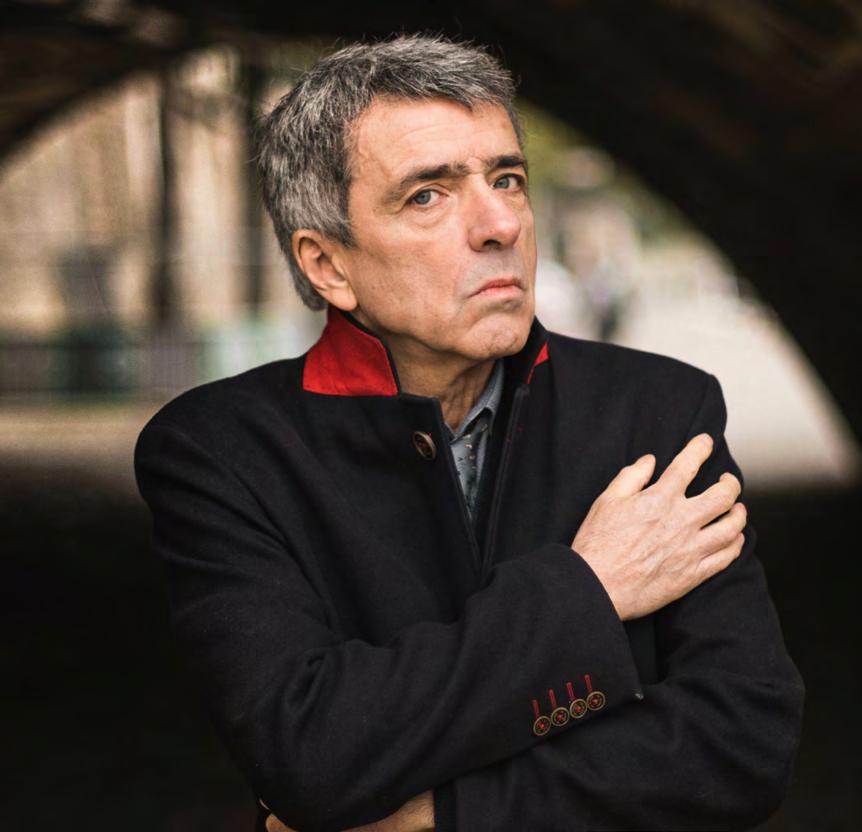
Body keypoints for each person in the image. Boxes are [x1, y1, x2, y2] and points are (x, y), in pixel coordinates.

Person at [134, 34, 804, 832]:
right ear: (327, 266)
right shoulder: (221, 453)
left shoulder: (657, 412)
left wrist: (437, 814)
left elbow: (742, 739)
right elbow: (308, 751)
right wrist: (590, 589)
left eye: (507, 179)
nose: (499, 224)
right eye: (427, 195)